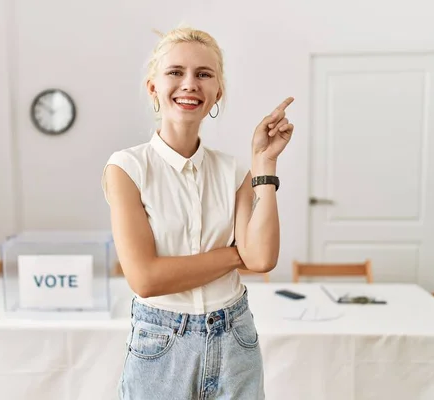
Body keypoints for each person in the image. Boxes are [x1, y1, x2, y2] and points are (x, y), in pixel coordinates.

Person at [101, 25, 294, 400]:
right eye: (175, 72)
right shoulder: (126, 168)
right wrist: (234, 255)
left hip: (235, 337)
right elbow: (145, 279)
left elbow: (262, 258)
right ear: (153, 87)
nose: (190, 83)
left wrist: (265, 164)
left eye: (203, 74)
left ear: (217, 92)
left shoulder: (236, 170)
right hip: (161, 346)